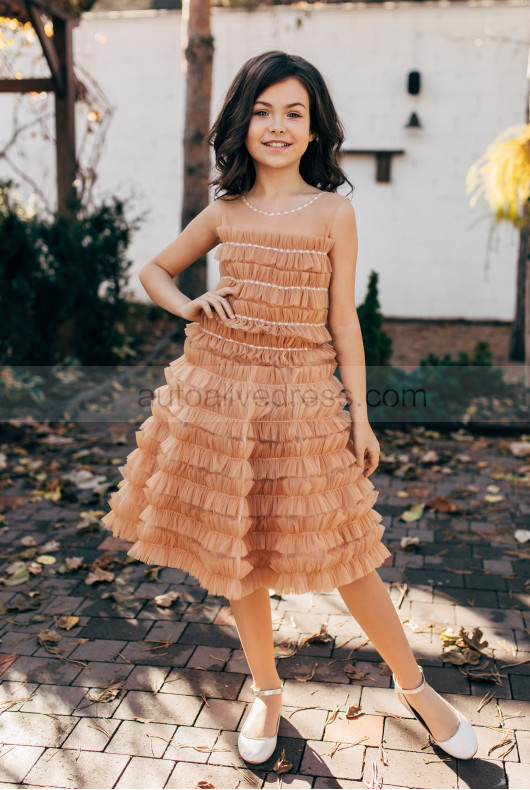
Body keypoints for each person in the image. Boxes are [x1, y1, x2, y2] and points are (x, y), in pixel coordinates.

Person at [102, 50, 478, 765]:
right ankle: (268, 692)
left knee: (345, 553)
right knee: (237, 554)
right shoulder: (225, 210)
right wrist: (190, 303)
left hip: (302, 399)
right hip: (219, 395)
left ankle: (414, 684)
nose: (277, 125)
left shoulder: (334, 211)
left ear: (315, 130)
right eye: (263, 111)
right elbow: (153, 270)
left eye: (294, 113)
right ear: (242, 124)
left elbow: (344, 322)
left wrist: (360, 415)